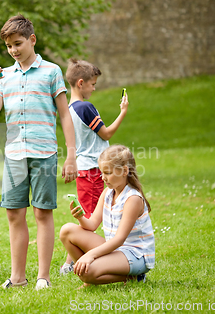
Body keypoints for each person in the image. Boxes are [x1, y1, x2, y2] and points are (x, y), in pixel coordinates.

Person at [0, 14, 78, 290]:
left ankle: (43, 277)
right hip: (14, 154)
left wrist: (71, 155)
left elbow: (65, 115)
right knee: (14, 213)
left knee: (42, 213)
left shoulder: (51, 71)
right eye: (9, 46)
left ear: (32, 40)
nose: (13, 50)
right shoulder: (4, 77)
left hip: (44, 152)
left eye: (18, 43)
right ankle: (18, 277)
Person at [60, 59, 129, 274]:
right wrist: (123, 111)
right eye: (93, 84)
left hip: (85, 169)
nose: (94, 88)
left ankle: (73, 260)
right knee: (89, 221)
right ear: (81, 83)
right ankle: (71, 262)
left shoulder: (68, 109)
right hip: (93, 171)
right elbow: (106, 133)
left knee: (87, 219)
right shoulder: (85, 107)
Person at [59, 145, 155, 287]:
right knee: (67, 231)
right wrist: (80, 217)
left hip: (135, 255)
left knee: (87, 273)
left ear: (124, 171)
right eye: (102, 172)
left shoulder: (133, 199)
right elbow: (91, 225)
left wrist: (90, 255)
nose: (103, 178)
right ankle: (97, 273)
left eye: (107, 173)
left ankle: (135, 276)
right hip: (116, 250)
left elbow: (119, 239)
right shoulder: (107, 193)